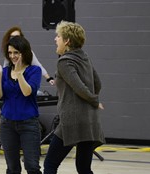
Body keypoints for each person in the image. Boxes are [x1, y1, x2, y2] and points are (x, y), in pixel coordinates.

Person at [43, 21, 105, 174]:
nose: (55, 39)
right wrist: (91, 100)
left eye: (58, 36)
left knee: (50, 165)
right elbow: (97, 83)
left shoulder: (64, 61)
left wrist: (94, 100)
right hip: (90, 121)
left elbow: (78, 87)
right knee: (84, 168)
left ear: (67, 41)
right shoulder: (84, 57)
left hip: (72, 121)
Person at [0, 36, 42, 174]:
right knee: (12, 167)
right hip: (7, 124)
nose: (13, 56)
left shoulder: (34, 71)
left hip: (28, 124)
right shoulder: (6, 72)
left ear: (24, 52)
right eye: (10, 53)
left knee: (32, 166)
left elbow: (27, 92)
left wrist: (19, 74)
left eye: (16, 53)